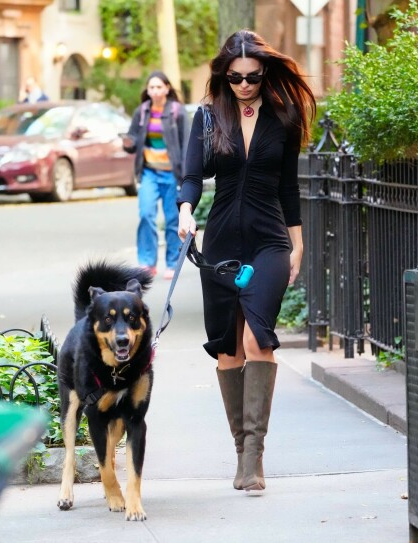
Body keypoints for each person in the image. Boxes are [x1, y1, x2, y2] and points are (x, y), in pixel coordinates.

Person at [178, 30, 315, 491]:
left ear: (265, 72)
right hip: (220, 244)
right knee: (226, 348)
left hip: (269, 240)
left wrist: (297, 244)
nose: (243, 85)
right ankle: (240, 451)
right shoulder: (207, 118)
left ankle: (254, 457)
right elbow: (192, 177)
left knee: (260, 337)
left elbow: (288, 188)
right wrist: (183, 212)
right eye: (234, 78)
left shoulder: (284, 117)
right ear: (224, 76)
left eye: (252, 76)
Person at [122, 71, 190, 279]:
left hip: (171, 174)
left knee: (171, 220)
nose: (155, 91)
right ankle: (147, 262)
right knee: (145, 215)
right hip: (149, 172)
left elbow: (187, 144)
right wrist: (128, 143)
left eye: (159, 87)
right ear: (148, 90)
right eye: (151, 87)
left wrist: (187, 175)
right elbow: (132, 139)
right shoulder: (142, 112)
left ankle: (172, 263)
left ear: (167, 89)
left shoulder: (178, 112)